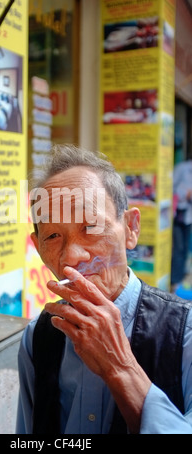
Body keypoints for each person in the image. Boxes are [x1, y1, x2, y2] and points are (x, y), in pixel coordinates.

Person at [16, 144, 192, 434]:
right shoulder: (38, 338)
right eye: (53, 236)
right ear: (38, 247)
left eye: (91, 226)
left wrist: (120, 367)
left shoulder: (183, 335)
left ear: (131, 228)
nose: (71, 256)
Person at [171, 155, 192, 291]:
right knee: (178, 249)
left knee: (185, 248)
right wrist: (186, 194)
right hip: (178, 214)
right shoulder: (183, 168)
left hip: (189, 215)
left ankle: (181, 279)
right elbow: (169, 187)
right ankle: (175, 281)